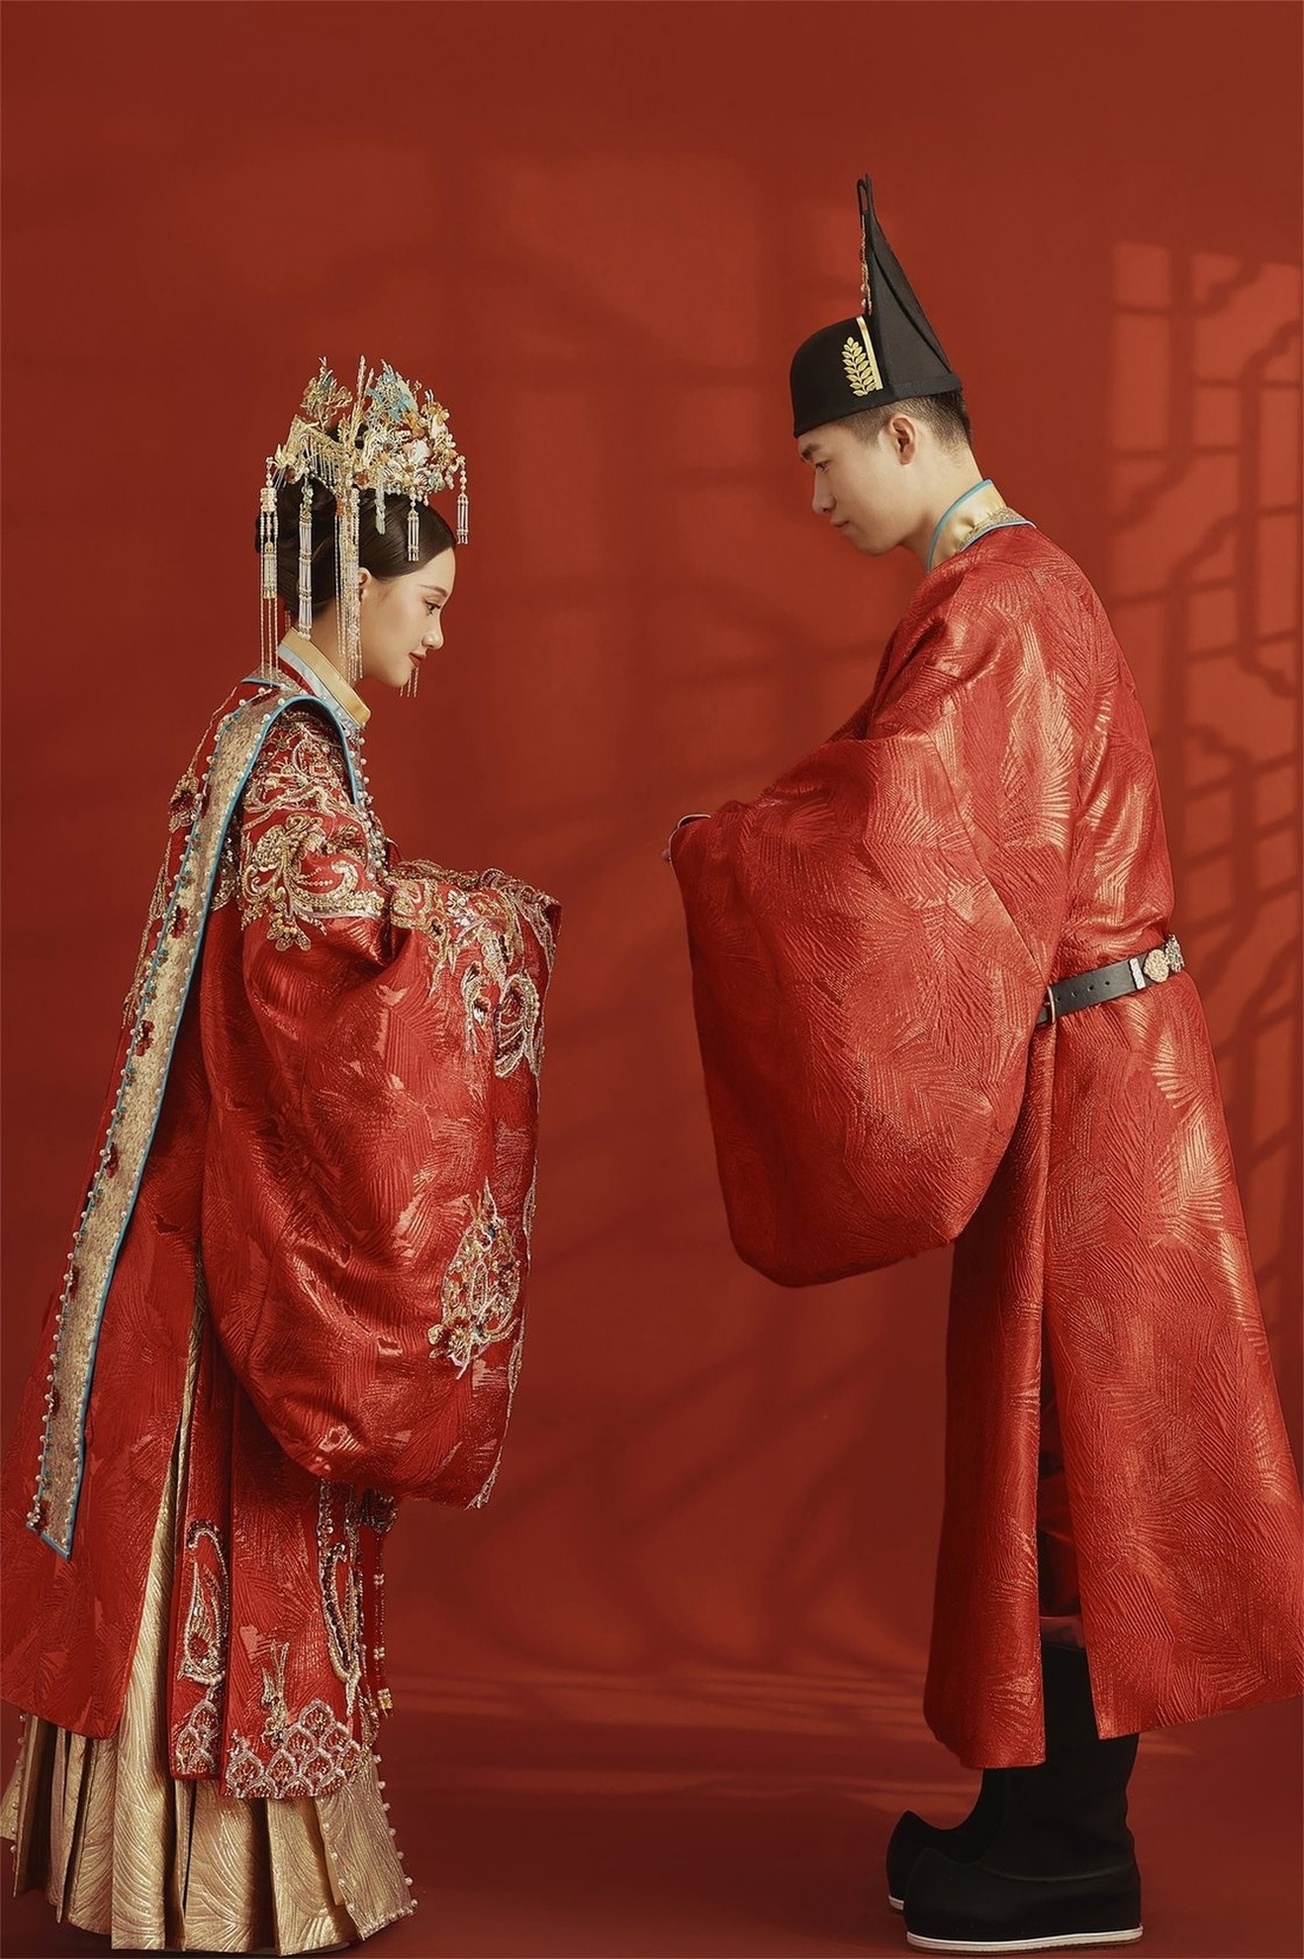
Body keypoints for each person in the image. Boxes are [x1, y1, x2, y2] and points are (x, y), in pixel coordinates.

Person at [669, 178, 1302, 1954]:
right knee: (1059, 1454)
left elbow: (918, 843)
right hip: (1095, 1066)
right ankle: (1032, 1817)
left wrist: (732, 852)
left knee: (1082, 1462)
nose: (814, 495)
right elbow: (912, 801)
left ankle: (1071, 1852)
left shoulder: (1002, 606)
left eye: (824, 461)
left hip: (1095, 1086)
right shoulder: (1008, 591)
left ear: (904, 429)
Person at [1, 359, 558, 1954]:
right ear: (358, 577)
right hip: (226, 1245)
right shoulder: (294, 760)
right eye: (430, 602)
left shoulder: (274, 742)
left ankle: (174, 1867)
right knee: (233, 1524)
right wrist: (489, 929)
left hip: (195, 1213)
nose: (437, 636)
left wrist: (417, 909)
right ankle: (210, 1881)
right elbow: (323, 982)